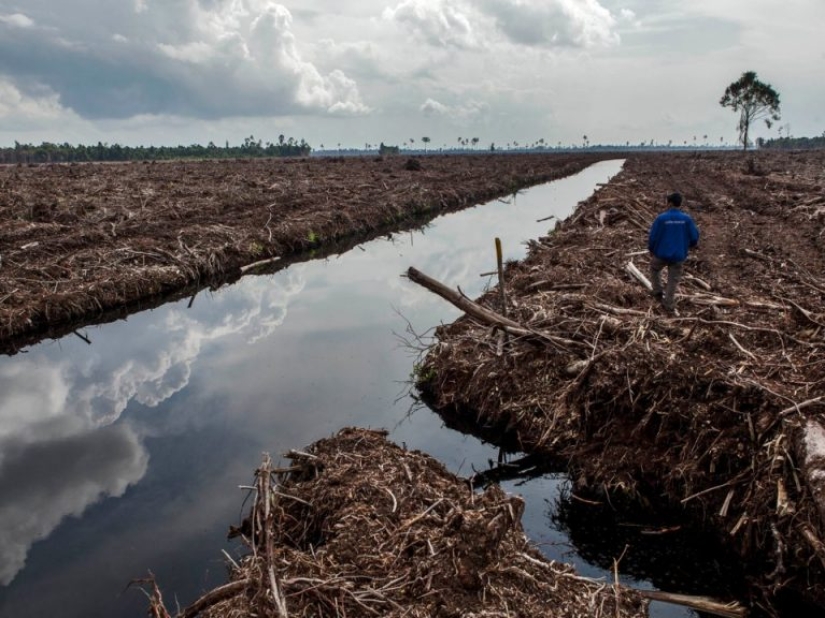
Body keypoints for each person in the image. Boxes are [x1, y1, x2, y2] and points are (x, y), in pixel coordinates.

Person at [648, 192, 699, 314]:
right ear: (680, 204)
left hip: (662, 254)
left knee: (654, 268)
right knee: (673, 279)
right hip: (678, 256)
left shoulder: (661, 218)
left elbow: (653, 237)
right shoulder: (686, 219)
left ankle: (657, 291)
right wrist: (688, 247)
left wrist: (652, 250)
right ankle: (668, 303)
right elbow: (694, 237)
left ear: (669, 203)